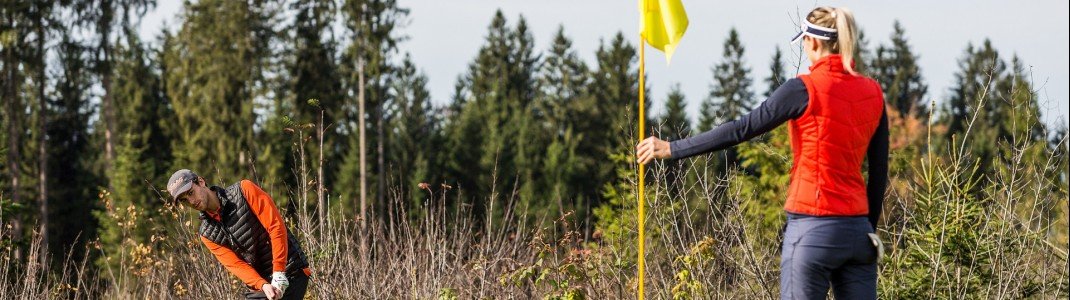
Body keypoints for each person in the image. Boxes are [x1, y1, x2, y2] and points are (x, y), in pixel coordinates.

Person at [635, 6, 889, 300]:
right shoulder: (873, 92)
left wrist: (672, 148)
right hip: (858, 233)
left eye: (804, 42)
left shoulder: (803, 89)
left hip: (812, 228)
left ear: (814, 42)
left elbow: (741, 129)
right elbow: (879, 167)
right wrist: (867, 227)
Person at [166, 169, 312, 300]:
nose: (191, 201)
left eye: (191, 193)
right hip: (263, 286)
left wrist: (279, 272)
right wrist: (262, 285)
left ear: (201, 182)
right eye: (185, 200)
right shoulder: (207, 234)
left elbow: (276, 227)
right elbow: (237, 265)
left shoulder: (244, 190)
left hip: (290, 270)